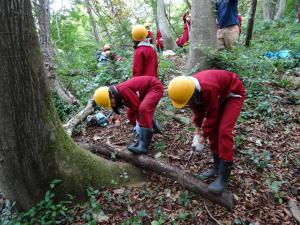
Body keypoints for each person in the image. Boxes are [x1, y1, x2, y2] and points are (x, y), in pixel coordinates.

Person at [167, 70, 246, 194]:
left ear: (192, 94)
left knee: (224, 131)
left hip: (233, 94)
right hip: (219, 95)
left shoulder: (208, 88)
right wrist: (197, 131)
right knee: (213, 132)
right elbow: (198, 111)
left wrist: (203, 137)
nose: (187, 104)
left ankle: (223, 178)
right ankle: (216, 168)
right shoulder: (189, 91)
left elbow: (211, 115)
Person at [93, 76, 164, 154]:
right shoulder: (118, 93)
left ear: (111, 95)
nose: (113, 105)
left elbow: (137, 107)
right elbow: (133, 108)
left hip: (155, 88)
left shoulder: (123, 90)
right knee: (130, 115)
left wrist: (140, 124)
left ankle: (143, 145)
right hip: (143, 93)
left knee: (143, 109)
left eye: (112, 103)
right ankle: (148, 126)